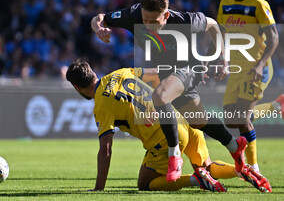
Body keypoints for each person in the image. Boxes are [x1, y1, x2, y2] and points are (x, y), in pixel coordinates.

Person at [91, 0, 246, 181]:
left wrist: (223, 59)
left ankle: (174, 156)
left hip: (189, 68)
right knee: (198, 120)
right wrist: (98, 28)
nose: (149, 26)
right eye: (145, 20)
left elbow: (213, 25)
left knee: (160, 96)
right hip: (168, 73)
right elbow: (98, 18)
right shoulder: (133, 16)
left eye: (154, 22)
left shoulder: (184, 21)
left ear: (166, 15)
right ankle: (234, 146)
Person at [66, 60, 272, 192]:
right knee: (207, 167)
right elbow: (158, 73)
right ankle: (242, 170)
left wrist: (98, 189)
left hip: (164, 138)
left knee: (145, 184)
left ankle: (195, 180)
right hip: (183, 121)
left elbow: (106, 149)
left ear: (77, 87)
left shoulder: (101, 105)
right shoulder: (120, 73)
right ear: (92, 72)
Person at [217, 0, 281, 173]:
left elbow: (273, 37)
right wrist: (223, 59)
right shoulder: (224, 3)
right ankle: (277, 106)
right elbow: (221, 35)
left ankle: (252, 167)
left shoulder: (259, 4)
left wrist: (260, 64)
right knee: (230, 119)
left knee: (243, 117)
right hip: (236, 69)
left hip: (256, 68)